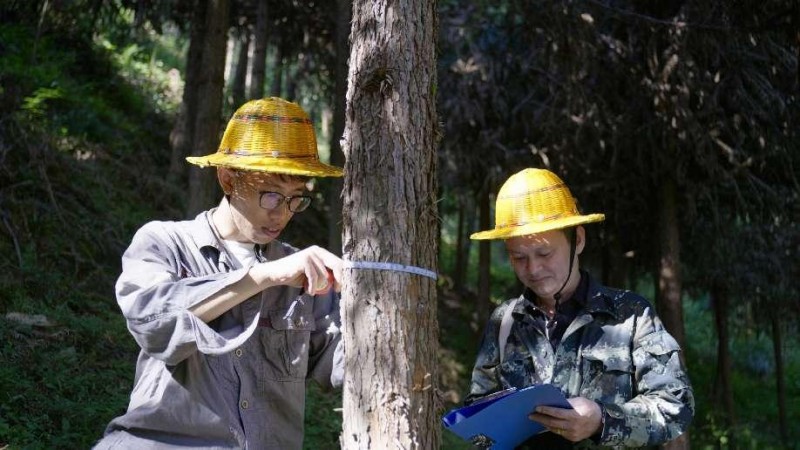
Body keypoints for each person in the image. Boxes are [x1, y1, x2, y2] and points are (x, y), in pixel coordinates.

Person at [94, 98, 345, 450]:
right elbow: (153, 322)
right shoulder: (165, 243)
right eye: (271, 195)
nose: (283, 214)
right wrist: (263, 276)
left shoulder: (301, 277)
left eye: (296, 199)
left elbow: (338, 360)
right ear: (228, 179)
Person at [465, 168, 694, 449]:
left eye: (545, 253)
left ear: (579, 240)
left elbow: (675, 406)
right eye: (518, 257)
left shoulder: (631, 316)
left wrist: (601, 421)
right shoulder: (505, 322)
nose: (533, 269)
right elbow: (478, 417)